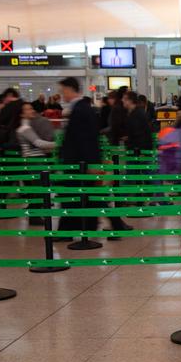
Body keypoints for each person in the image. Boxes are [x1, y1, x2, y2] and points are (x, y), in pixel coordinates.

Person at [56, 77, 131, 241]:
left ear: (70, 89)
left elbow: (88, 139)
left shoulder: (82, 109)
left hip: (81, 164)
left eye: (63, 91)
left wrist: (91, 164)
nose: (62, 95)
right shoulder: (81, 108)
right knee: (89, 198)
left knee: (78, 197)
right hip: (80, 163)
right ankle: (109, 226)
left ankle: (69, 231)